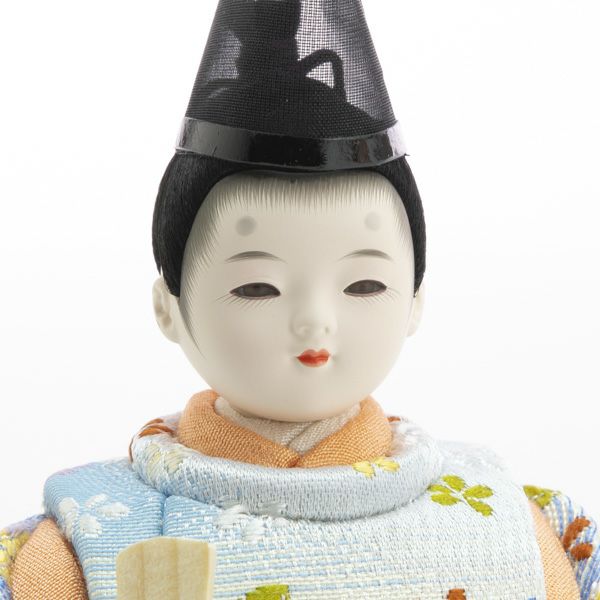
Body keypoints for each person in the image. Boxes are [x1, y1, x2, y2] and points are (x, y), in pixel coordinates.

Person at [1, 1, 598, 598]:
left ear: (415, 299)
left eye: (364, 284)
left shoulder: (521, 531)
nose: (315, 320)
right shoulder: (74, 549)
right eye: (257, 286)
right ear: (169, 308)